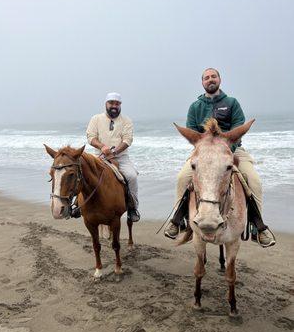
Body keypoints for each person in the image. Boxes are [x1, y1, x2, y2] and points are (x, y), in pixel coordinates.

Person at [164, 68, 275, 248]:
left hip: (232, 150)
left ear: (219, 80)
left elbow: (237, 128)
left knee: (254, 180)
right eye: (206, 78)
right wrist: (207, 149)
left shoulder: (232, 103)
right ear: (202, 83)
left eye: (213, 76)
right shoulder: (195, 106)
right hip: (204, 153)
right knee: (182, 178)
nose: (210, 80)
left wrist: (223, 150)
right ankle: (178, 220)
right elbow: (192, 130)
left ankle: (258, 227)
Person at [86, 92, 140, 222]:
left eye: (117, 104)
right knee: (84, 174)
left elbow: (127, 140)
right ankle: (77, 205)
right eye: (111, 103)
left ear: (120, 105)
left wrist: (114, 153)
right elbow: (91, 137)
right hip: (99, 156)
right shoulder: (96, 119)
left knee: (132, 176)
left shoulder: (126, 121)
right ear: (106, 104)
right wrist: (102, 147)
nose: (114, 106)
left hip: (121, 158)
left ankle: (132, 208)